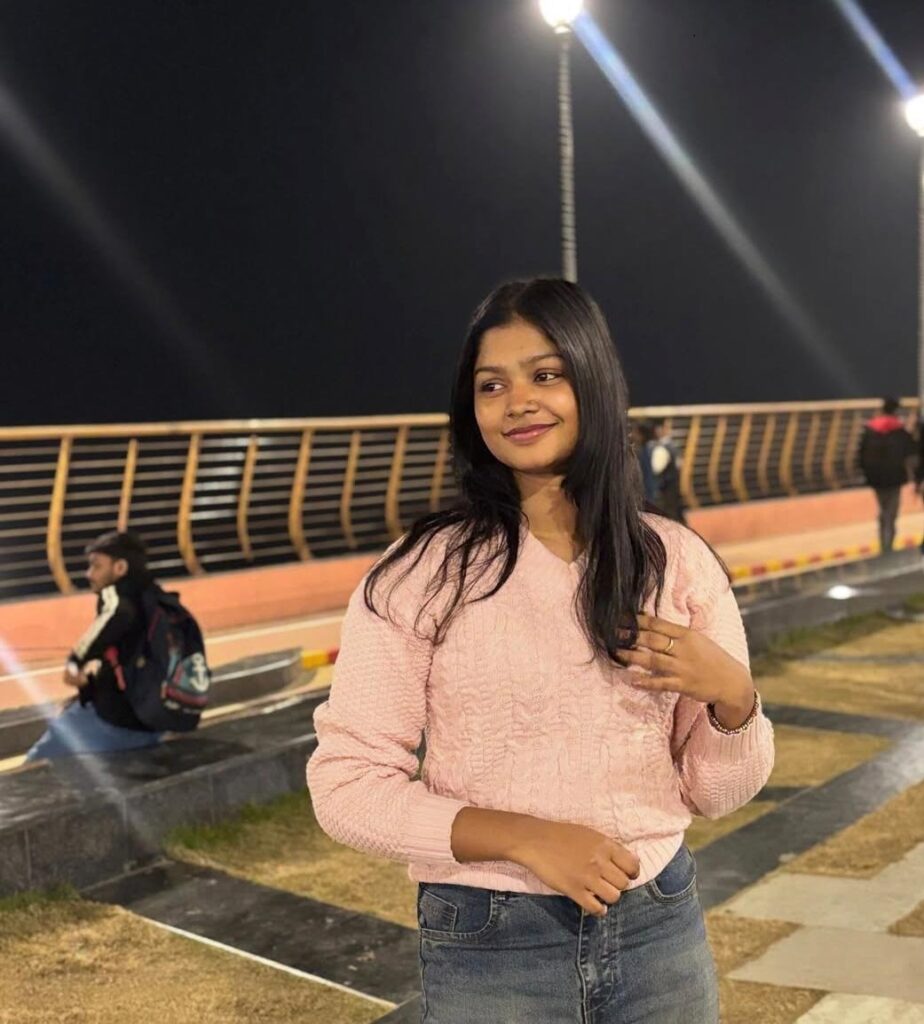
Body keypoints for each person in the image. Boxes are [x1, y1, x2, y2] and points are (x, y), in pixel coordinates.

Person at [307, 278, 774, 1023]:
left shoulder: (674, 561)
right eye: (492, 385)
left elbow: (717, 794)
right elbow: (346, 785)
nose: (517, 401)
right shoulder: (423, 573)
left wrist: (734, 698)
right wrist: (526, 839)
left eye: (546, 375)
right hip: (491, 939)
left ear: (594, 381)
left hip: (658, 923)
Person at [26, 531, 164, 760]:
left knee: (34, 765)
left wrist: (73, 665)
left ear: (120, 567)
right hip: (155, 725)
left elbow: (107, 625)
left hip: (119, 722)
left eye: (96, 566)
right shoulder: (158, 599)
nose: (89, 574)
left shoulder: (116, 599)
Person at [857, 398, 917, 555]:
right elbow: (911, 451)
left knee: (883, 506)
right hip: (894, 476)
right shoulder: (900, 430)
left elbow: (861, 455)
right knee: (892, 509)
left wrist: (865, 473)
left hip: (875, 477)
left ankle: (883, 538)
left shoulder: (870, 429)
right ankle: (888, 542)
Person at [647, 416, 686, 523]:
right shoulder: (674, 447)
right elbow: (679, 465)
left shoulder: (660, 448)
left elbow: (655, 469)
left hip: (664, 492)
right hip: (674, 490)